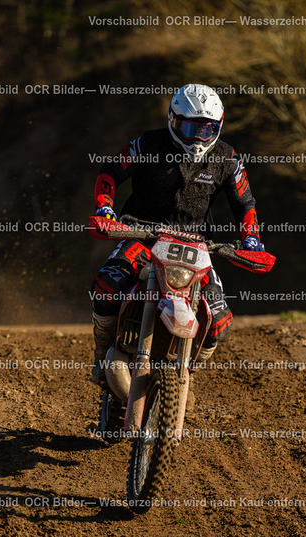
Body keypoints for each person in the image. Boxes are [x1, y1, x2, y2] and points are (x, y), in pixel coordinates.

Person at [90, 83, 265, 385]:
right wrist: (105, 208)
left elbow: (245, 203)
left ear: (219, 126)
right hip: (142, 236)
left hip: (196, 247)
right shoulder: (147, 145)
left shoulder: (228, 159)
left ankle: (186, 378)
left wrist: (252, 238)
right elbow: (110, 172)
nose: (198, 138)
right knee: (105, 289)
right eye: (190, 128)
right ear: (173, 119)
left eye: (207, 130)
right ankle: (101, 352)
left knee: (219, 322)